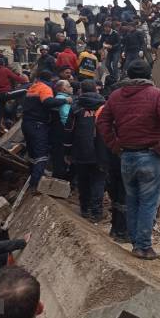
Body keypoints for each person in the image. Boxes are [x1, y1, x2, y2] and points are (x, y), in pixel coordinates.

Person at [97, 60, 160, 260]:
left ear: (128, 75)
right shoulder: (158, 95)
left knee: (132, 200)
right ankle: (144, 246)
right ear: (149, 76)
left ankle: (136, 244)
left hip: (127, 156)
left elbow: (102, 121)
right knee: (149, 203)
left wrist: (115, 145)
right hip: (150, 156)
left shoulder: (115, 96)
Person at [64, 80, 108, 222]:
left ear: (81, 91)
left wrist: (67, 151)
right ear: (96, 90)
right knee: (98, 181)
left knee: (83, 181)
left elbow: (69, 130)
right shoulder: (105, 106)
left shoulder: (76, 107)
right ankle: (97, 213)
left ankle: (85, 209)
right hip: (101, 151)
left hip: (80, 151)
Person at [22, 71, 70, 190]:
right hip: (37, 125)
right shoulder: (45, 88)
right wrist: (65, 100)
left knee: (33, 155)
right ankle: (35, 184)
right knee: (41, 155)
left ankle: (32, 178)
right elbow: (48, 102)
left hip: (26, 123)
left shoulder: (33, 87)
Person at [0, 57, 27, 139]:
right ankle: (20, 112)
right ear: (2, 63)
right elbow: (15, 77)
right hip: (5, 93)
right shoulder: (4, 70)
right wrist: (25, 81)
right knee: (24, 92)